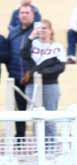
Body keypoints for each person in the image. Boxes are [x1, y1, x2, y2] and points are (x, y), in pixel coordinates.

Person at [21, 19, 66, 142]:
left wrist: (39, 73)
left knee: (50, 117)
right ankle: (38, 149)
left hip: (50, 85)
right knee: (36, 117)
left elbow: (60, 67)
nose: (41, 30)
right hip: (32, 85)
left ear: (51, 31)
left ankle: (51, 149)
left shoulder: (57, 47)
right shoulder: (33, 44)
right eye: (39, 28)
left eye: (44, 28)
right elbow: (23, 54)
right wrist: (30, 38)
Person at [7, 4, 35, 139]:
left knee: (38, 110)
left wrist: (31, 72)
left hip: (34, 79)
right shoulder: (13, 33)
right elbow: (8, 55)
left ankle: (41, 143)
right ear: (18, 15)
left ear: (33, 15)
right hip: (16, 77)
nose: (24, 15)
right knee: (19, 111)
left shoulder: (37, 31)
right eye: (22, 12)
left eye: (27, 12)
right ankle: (20, 141)